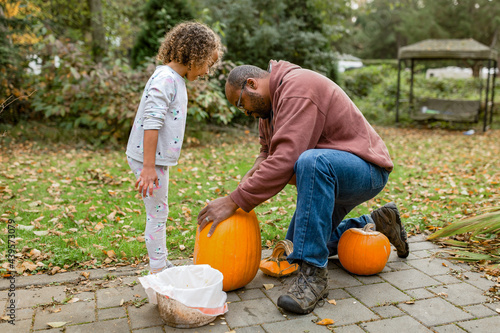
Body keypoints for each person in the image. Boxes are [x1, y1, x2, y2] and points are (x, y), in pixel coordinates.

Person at [197, 60, 409, 314]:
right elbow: (268, 151)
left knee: (311, 161)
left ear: (251, 84)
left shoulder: (298, 88)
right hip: (331, 175)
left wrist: (234, 200)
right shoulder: (269, 109)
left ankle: (314, 276)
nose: (245, 113)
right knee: (294, 249)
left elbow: (287, 158)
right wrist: (253, 170)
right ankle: (376, 223)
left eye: (241, 104)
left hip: (366, 169)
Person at [126, 21, 223, 274]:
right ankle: (158, 269)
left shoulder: (173, 78)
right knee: (157, 213)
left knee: (160, 210)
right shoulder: (166, 79)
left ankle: (161, 264)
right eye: (207, 65)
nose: (206, 72)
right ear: (195, 55)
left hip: (154, 159)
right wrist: (148, 167)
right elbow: (152, 122)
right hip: (148, 160)